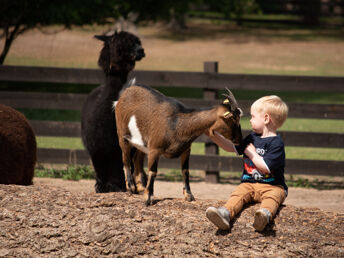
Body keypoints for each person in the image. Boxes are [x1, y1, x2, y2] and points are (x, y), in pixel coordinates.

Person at [205, 95, 288, 232]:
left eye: (253, 116)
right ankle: (225, 214)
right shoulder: (252, 138)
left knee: (273, 197)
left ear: (266, 119)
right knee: (238, 194)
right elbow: (231, 147)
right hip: (249, 184)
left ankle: (264, 216)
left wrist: (252, 154)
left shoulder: (276, 143)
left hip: (273, 186)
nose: (250, 120)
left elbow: (266, 168)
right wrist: (214, 136)